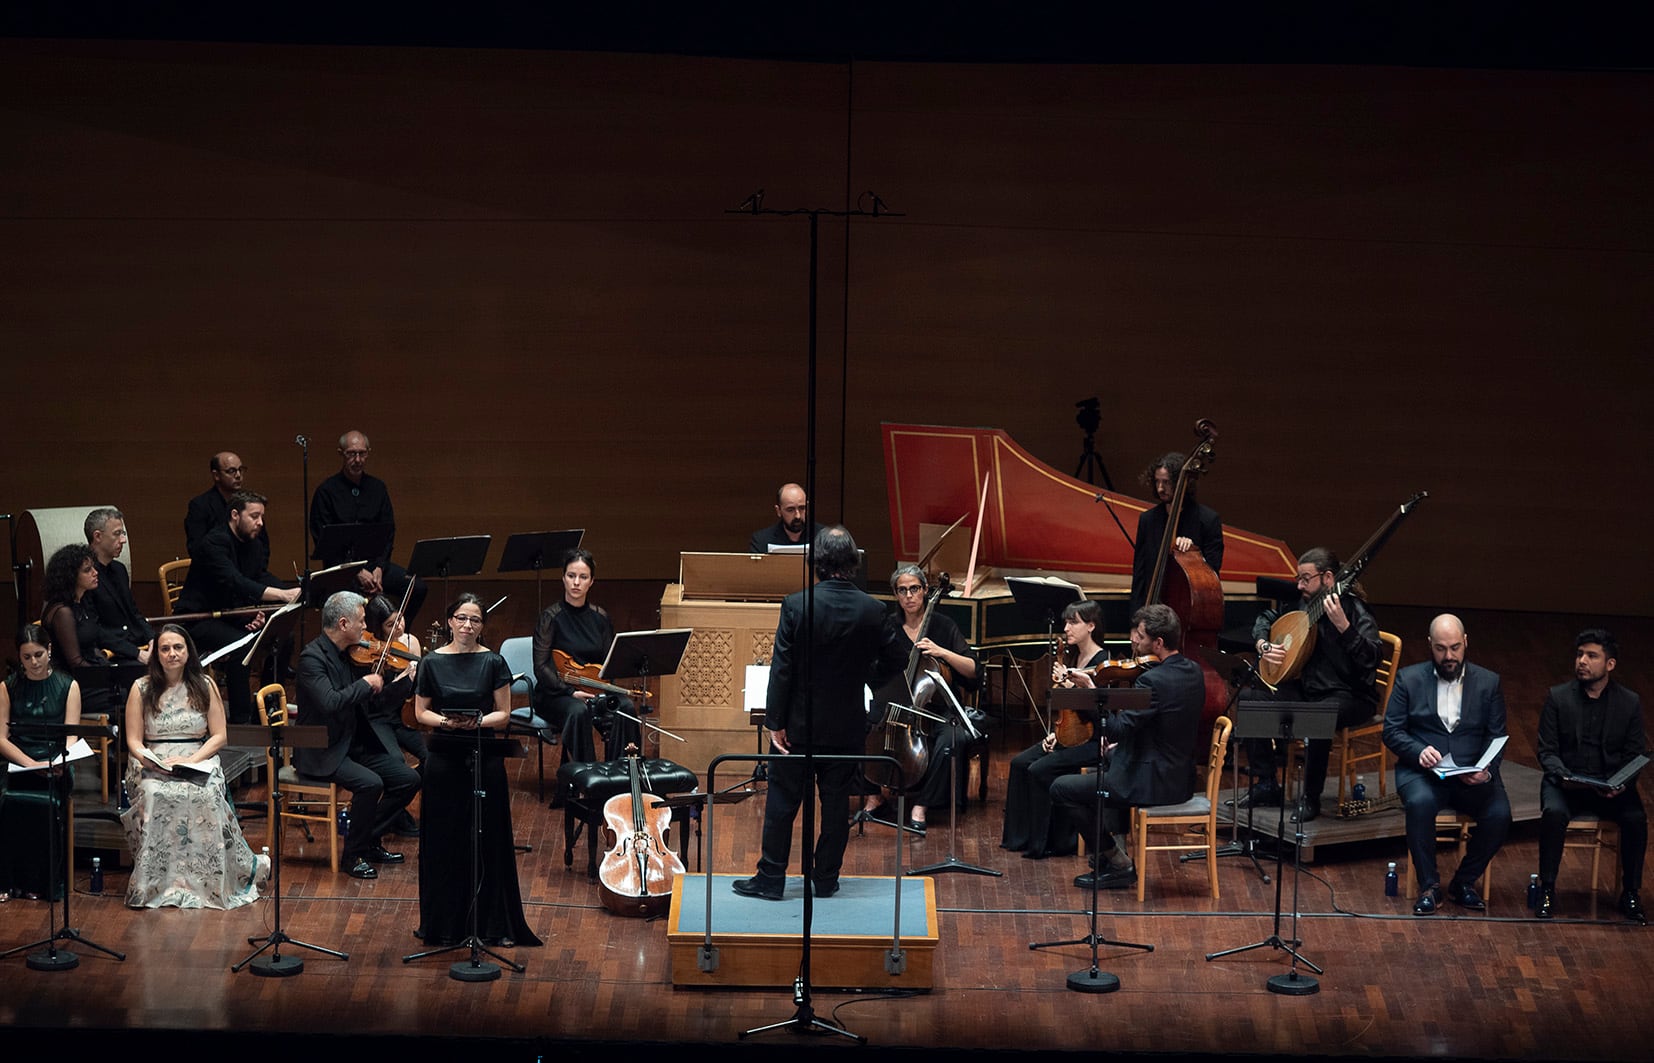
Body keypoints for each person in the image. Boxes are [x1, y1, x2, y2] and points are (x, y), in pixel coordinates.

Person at [734, 525, 904, 900]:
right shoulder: (873, 609)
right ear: (853, 563)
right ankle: (825, 878)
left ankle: (771, 879)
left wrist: (774, 722)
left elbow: (782, 669)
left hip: (799, 724)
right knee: (836, 802)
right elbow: (898, 657)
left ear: (817, 563)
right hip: (846, 723)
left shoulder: (797, 604)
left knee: (782, 800)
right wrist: (867, 677)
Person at [413, 593, 542, 948]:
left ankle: (491, 923)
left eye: (475, 620)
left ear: (482, 626)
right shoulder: (430, 663)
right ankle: (444, 926)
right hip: (444, 756)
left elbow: (504, 712)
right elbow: (420, 712)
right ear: (450, 621)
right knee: (444, 839)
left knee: (488, 838)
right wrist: (447, 722)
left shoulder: (494, 662)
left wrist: (476, 722)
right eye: (461, 618)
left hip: (482, 753)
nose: (468, 625)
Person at [1051, 603, 1205, 890]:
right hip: (1180, 777)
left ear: (1158, 643)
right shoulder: (1193, 671)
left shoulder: (1152, 679)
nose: (1134, 639)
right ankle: (1112, 855)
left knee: (1062, 788)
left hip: (1153, 782)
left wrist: (1091, 692)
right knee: (1110, 760)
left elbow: (1118, 728)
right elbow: (1157, 726)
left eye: (1141, 636)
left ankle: (1117, 861)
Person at [120, 624, 268, 909]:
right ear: (156, 654)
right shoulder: (141, 688)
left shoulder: (205, 684)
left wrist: (190, 760)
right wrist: (155, 762)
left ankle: (206, 883)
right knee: (155, 794)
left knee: (206, 793)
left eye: (178, 648)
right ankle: (156, 884)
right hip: (153, 759)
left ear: (188, 652)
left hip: (196, 756)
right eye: (165, 649)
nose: (172, 654)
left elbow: (220, 736)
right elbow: (134, 741)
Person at [1382, 614, 1511, 916]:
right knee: (1420, 804)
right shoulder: (1409, 679)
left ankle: (1463, 882)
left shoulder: (1488, 682)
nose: (1449, 656)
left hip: (1471, 774)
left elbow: (1497, 734)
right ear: (1430, 645)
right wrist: (1417, 751)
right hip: (1423, 774)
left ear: (1465, 642)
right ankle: (1430, 886)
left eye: (1455, 647)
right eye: (1441, 649)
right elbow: (1392, 730)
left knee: (1499, 814)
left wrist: (1486, 769)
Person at [294, 590, 421, 879]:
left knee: (408, 779)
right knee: (370, 784)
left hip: (350, 742)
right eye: (362, 622)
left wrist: (400, 684)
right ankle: (353, 855)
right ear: (342, 624)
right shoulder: (312, 659)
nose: (366, 628)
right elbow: (330, 703)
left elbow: (374, 704)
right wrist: (365, 684)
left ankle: (368, 839)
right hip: (322, 750)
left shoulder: (351, 655)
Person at [1248, 547, 1381, 821]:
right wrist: (1263, 642)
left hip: (1352, 695)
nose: (1299, 585)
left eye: (1305, 579)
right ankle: (1266, 783)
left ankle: (1310, 797)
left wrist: (1344, 627)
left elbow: (1372, 659)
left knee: (1319, 716)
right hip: (1311, 690)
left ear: (1327, 578)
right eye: (1299, 578)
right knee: (1252, 698)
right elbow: (1266, 619)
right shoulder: (1304, 603)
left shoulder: (1355, 610)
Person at [1534, 628, 1647, 922]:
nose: (1582, 661)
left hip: (1609, 786)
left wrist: (1621, 784)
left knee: (1635, 818)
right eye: (1580, 654)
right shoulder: (1558, 698)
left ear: (1609, 664)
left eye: (1591, 656)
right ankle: (1547, 888)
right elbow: (1547, 751)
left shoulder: (1629, 702)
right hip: (1567, 784)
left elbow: (1635, 754)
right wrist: (1566, 777)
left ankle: (1631, 892)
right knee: (1554, 814)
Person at [860, 563, 980, 834]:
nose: (909, 596)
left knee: (953, 739)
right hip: (893, 706)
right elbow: (871, 668)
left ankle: (922, 805)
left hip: (935, 708)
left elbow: (974, 670)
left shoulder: (942, 625)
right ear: (896, 594)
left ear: (926, 590)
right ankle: (874, 796)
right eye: (902, 591)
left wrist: (942, 652)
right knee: (856, 727)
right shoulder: (888, 626)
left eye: (914, 589)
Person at [176, 490, 302, 724]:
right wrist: (282, 595)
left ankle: (267, 706)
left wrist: (296, 591)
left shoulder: (252, 543)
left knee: (285, 636)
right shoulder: (214, 542)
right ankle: (241, 720)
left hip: (232, 614)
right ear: (235, 515)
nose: (260, 523)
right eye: (254, 516)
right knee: (241, 646)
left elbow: (259, 576)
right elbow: (235, 582)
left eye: (262, 517)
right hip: (199, 619)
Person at [1001, 599, 1110, 859]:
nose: (1066, 628)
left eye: (1074, 622)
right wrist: (1054, 734)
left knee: (1039, 769)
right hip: (1067, 735)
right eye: (1066, 622)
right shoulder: (1072, 656)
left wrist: (1073, 688)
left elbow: (1101, 712)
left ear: (1091, 626)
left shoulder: (1102, 663)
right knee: (1019, 763)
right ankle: (1020, 838)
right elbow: (1066, 711)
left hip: (1091, 740)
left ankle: (1048, 843)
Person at [531, 548, 641, 764]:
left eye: (583, 577)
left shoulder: (600, 617)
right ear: (563, 578)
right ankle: (585, 776)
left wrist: (599, 688)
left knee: (625, 707)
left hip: (593, 689)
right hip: (556, 694)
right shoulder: (550, 618)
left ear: (591, 581)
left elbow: (610, 664)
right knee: (579, 711)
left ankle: (619, 773)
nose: (576, 583)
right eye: (571, 576)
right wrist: (571, 691)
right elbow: (541, 666)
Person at [308, 430, 427, 624]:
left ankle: (397, 633)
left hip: (375, 565)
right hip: (342, 569)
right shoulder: (326, 491)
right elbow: (323, 540)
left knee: (417, 588)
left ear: (368, 453)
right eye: (351, 454)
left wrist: (380, 567)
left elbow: (388, 532)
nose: (357, 459)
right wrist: (356, 571)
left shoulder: (378, 488)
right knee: (363, 603)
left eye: (362, 453)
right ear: (341, 453)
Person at [0, 625, 82, 901]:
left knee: (46, 804)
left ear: (49, 650)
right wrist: (29, 763)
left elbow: (71, 735)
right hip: (17, 758)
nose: (33, 662)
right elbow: (2, 738)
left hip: (55, 760)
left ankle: (44, 882)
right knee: (6, 799)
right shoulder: (7, 687)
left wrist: (60, 760)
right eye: (26, 657)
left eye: (38, 655)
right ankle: (9, 881)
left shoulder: (68, 685)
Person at [1128, 452, 1224, 615]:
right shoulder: (1148, 520)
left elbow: (1212, 573)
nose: (1160, 488)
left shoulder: (1208, 520)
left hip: (1190, 610)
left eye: (1166, 482)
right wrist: (1135, 622)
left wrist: (1192, 552)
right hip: (1154, 611)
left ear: (1181, 483)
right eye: (1157, 481)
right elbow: (1140, 575)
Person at [364, 593, 427, 837]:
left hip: (401, 717)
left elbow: (416, 690)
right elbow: (375, 703)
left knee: (433, 757)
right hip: (376, 719)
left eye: (400, 619)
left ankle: (395, 809)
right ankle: (380, 822)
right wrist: (401, 682)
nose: (399, 627)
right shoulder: (365, 652)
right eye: (391, 625)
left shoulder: (410, 642)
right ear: (376, 628)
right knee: (398, 766)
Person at [40, 542, 118, 715]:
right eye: (87, 570)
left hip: (88, 676)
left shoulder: (81, 603)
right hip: (71, 685)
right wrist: (106, 678)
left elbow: (92, 646)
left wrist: (107, 667)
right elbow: (75, 663)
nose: (95, 573)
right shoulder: (63, 612)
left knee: (133, 688)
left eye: (94, 568)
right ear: (70, 576)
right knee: (126, 697)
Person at [83, 507, 154, 666]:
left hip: (136, 644)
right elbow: (94, 630)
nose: (123, 540)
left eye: (123, 534)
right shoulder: (84, 575)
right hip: (112, 653)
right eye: (117, 534)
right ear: (98, 536)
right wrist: (137, 654)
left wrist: (153, 639)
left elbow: (134, 613)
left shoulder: (119, 569)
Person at [184, 451, 266, 554]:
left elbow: (263, 545)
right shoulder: (200, 506)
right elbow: (197, 548)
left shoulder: (250, 504)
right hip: (214, 566)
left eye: (240, 470)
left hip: (248, 566)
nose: (238, 475)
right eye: (232, 471)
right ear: (216, 475)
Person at [748, 482, 822, 553]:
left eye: (802, 508)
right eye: (790, 510)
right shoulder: (762, 540)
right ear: (778, 511)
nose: (798, 516)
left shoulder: (823, 537)